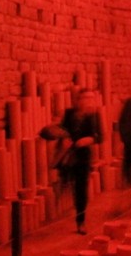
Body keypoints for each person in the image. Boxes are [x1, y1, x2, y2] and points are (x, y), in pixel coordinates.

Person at [39, 88, 102, 234]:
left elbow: (100, 136)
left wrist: (89, 140)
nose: (88, 101)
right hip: (68, 156)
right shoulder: (69, 113)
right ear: (78, 100)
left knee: (81, 191)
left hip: (83, 158)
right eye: (85, 98)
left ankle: (80, 221)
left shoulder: (94, 115)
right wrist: (60, 135)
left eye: (90, 98)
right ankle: (55, 213)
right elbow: (61, 129)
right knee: (62, 185)